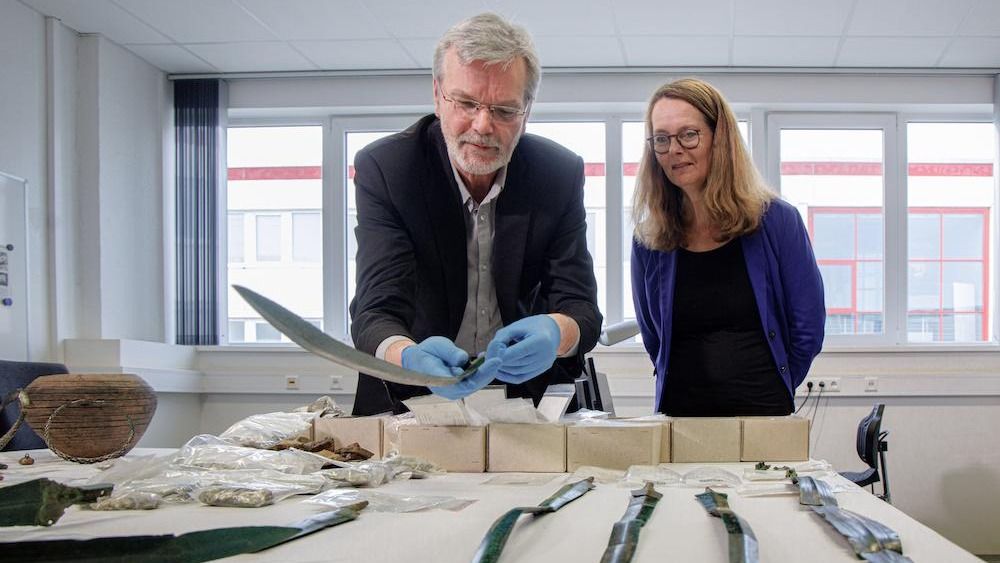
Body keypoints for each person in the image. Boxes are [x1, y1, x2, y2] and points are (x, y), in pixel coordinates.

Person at [350, 13, 602, 415]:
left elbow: (581, 307)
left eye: (504, 110)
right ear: (437, 95)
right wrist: (409, 356)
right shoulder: (390, 170)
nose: (483, 125)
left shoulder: (557, 174)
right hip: (409, 400)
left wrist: (557, 332)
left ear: (527, 110)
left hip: (524, 404)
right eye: (466, 102)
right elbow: (375, 311)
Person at [630, 78, 825, 417]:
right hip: (680, 418)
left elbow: (807, 326)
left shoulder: (777, 221)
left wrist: (778, 385)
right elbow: (653, 337)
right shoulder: (650, 238)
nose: (674, 149)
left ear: (719, 138)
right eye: (661, 139)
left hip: (764, 414)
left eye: (689, 134)